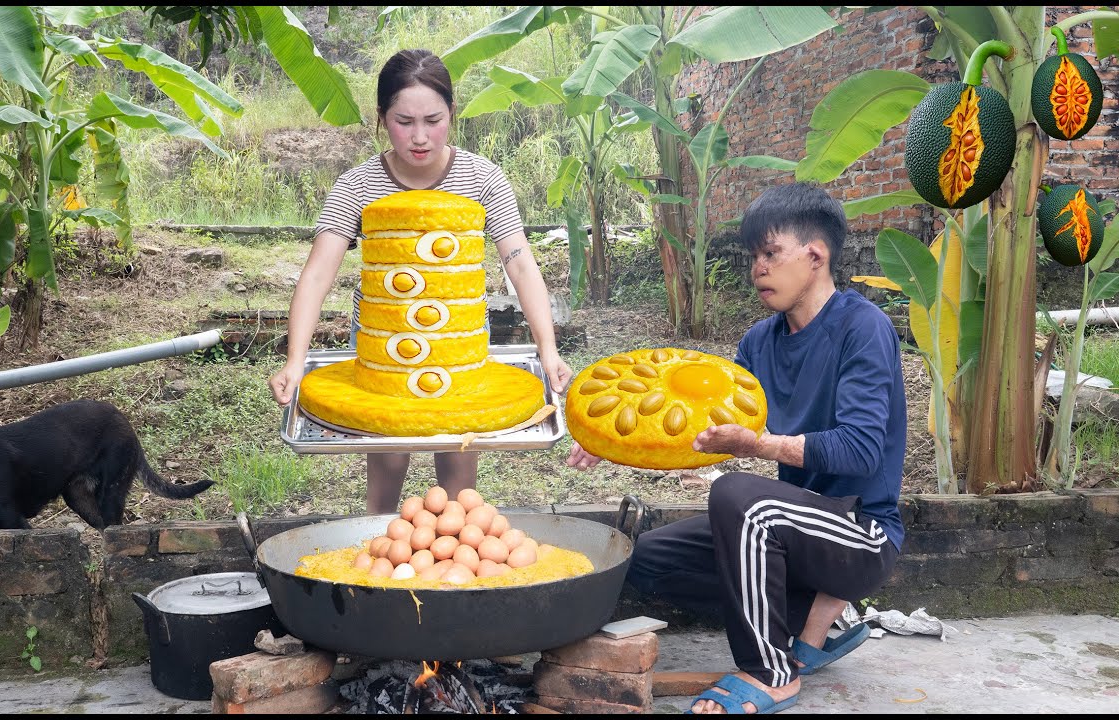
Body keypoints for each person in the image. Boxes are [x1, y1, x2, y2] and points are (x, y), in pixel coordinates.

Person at [567, 182, 906, 714]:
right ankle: (807, 614)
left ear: (815, 257)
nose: (757, 268)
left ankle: (772, 672)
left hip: (861, 532)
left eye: (770, 254)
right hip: (792, 526)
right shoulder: (758, 343)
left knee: (739, 498)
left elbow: (861, 451)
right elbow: (702, 434)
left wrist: (761, 446)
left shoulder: (864, 328)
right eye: (754, 256)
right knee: (646, 557)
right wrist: (613, 444)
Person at [269, 49, 572, 515]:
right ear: (381, 118)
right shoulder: (358, 186)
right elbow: (317, 274)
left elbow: (520, 264)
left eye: (433, 119)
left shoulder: (482, 178)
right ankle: (381, 547)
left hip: (458, 348)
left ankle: (452, 564)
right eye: (403, 121)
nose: (419, 136)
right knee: (387, 463)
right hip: (386, 350)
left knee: (457, 471)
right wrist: (295, 359)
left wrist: (548, 350)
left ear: (452, 112)